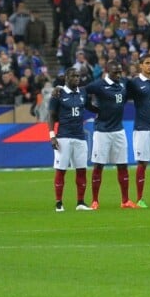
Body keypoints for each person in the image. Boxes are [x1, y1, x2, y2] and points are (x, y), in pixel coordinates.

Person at [84, 59, 130, 210]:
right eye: (115, 72)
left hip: (119, 130)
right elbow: (83, 91)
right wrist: (92, 108)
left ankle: (125, 200)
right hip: (102, 131)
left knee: (122, 165)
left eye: (119, 71)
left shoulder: (123, 83)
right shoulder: (99, 84)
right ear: (107, 71)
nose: (118, 74)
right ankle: (95, 201)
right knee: (99, 165)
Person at [126, 54, 150, 209]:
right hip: (141, 129)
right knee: (142, 163)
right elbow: (122, 96)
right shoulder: (135, 83)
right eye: (147, 63)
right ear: (140, 65)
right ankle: (140, 199)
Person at [49, 69, 90, 212]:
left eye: (78, 76)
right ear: (66, 78)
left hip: (80, 137)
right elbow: (52, 116)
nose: (77, 78)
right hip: (63, 137)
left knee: (81, 170)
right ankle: (59, 203)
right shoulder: (58, 94)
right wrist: (52, 135)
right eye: (73, 76)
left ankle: (81, 202)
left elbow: (91, 105)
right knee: (61, 170)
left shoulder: (83, 92)